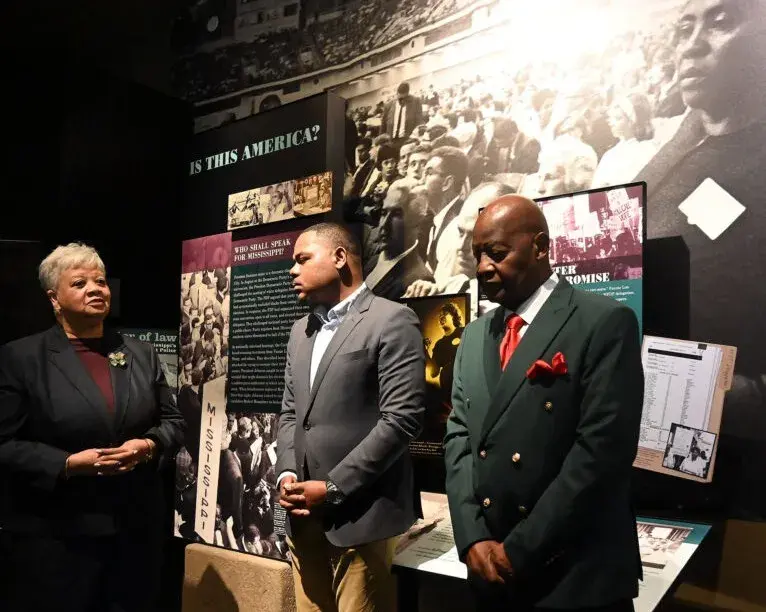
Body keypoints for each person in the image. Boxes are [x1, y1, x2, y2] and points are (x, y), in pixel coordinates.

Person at [444, 196, 644, 611]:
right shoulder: (475, 336)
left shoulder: (602, 322)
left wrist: (519, 550)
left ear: (539, 246)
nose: (482, 267)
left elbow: (600, 454)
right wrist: (472, 537)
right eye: (477, 255)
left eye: (496, 253)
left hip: (572, 577)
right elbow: (459, 438)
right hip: (492, 574)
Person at [0, 242, 185, 612]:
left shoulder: (140, 353)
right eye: (80, 283)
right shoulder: (21, 358)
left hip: (134, 533)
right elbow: (4, 443)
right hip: (58, 537)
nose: (95, 289)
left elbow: (174, 423)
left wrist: (147, 446)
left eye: (100, 281)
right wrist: (67, 464)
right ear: (54, 298)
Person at [276, 222, 425, 612]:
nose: (292, 270)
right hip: (303, 517)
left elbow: (401, 420)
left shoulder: (392, 320)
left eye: (302, 259)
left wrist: (333, 487)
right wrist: (286, 472)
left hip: (363, 518)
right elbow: (291, 412)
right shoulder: (300, 331)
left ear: (340, 257)